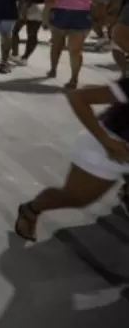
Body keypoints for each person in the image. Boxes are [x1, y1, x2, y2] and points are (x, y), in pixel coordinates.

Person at [13, 77, 129, 242]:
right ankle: (31, 210)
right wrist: (106, 140)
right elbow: (78, 97)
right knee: (77, 198)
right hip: (111, 149)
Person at [43, 0, 93, 89]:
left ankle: (53, 69)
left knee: (56, 45)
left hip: (61, 14)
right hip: (82, 16)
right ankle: (74, 78)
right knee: (75, 51)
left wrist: (45, 18)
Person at [10, 0, 46, 66]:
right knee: (25, 32)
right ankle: (19, 56)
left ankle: (20, 55)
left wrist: (25, 7)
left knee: (27, 32)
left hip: (32, 6)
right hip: (35, 6)